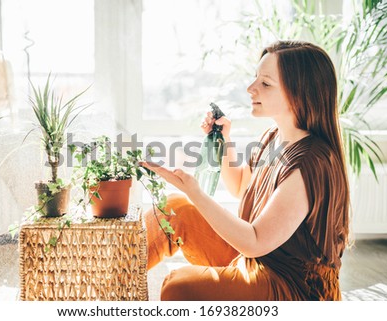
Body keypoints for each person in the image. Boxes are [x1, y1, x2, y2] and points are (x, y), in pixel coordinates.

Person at [141, 40, 350, 301]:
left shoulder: (312, 161)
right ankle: (109, 286)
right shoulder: (273, 137)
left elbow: (254, 241)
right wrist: (222, 141)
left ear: (299, 93)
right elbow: (240, 186)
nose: (251, 89)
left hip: (291, 286)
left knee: (178, 286)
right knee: (171, 210)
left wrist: (194, 191)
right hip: (255, 260)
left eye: (265, 83)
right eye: (255, 79)